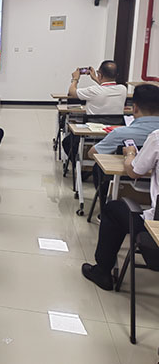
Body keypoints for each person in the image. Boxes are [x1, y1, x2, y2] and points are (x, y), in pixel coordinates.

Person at [82, 129, 159, 291]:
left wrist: (130, 153)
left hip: (155, 233)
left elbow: (133, 171)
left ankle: (102, 272)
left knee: (113, 210)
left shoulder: (157, 138)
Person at [87, 84, 159, 211]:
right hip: (153, 198)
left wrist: (129, 154)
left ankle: (104, 207)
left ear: (134, 108)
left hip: (126, 192)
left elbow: (93, 153)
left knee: (97, 168)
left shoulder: (121, 133)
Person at [62, 60, 127, 162]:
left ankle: (76, 165)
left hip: (92, 131)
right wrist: (96, 78)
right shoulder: (123, 89)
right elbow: (107, 87)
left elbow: (72, 92)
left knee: (67, 142)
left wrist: (75, 79)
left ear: (100, 74)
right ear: (116, 75)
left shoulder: (93, 91)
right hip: (113, 131)